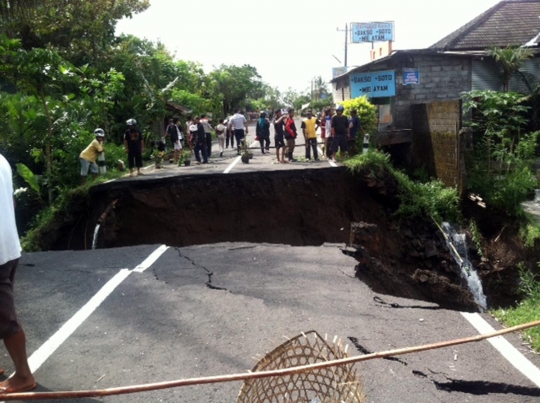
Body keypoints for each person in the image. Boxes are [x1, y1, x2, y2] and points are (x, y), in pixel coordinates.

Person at [0, 153, 36, 395]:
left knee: (5, 318)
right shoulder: (2, 159)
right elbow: (10, 203)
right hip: (9, 247)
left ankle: (23, 375)